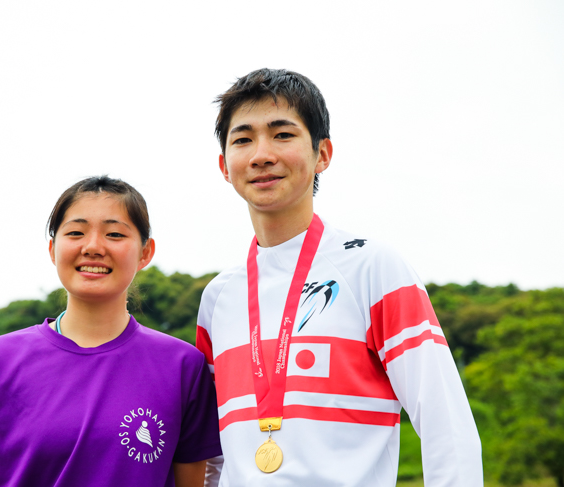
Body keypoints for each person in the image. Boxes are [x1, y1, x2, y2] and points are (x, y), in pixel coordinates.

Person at [196, 69, 483, 486]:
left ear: (323, 154)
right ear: (225, 165)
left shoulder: (373, 268)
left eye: (282, 134)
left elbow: (447, 427)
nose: (261, 154)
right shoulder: (218, 297)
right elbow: (212, 456)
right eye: (243, 139)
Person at [0, 176, 222, 487]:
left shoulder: (183, 367)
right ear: (53, 249)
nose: (93, 247)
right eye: (76, 232)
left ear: (145, 252)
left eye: (114, 234)